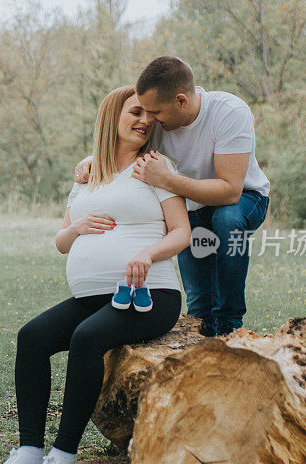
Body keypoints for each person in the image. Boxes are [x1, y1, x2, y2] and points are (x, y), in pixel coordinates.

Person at [0, 86, 191, 464]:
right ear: (111, 117)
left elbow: (182, 232)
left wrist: (148, 255)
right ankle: (29, 449)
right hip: (92, 297)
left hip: (148, 295)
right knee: (31, 337)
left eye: (149, 115)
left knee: (87, 338)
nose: (144, 121)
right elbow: (62, 242)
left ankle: (64, 456)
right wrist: (77, 228)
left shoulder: (154, 166)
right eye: (135, 112)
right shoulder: (87, 175)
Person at [74, 56, 270, 337]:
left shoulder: (229, 112)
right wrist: (91, 158)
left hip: (244, 200)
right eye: (143, 112)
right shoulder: (160, 124)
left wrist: (167, 180)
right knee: (200, 303)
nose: (148, 120)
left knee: (227, 221)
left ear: (181, 101)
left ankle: (231, 324)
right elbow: (125, 143)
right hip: (194, 207)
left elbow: (230, 191)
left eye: (154, 112)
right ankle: (204, 342)